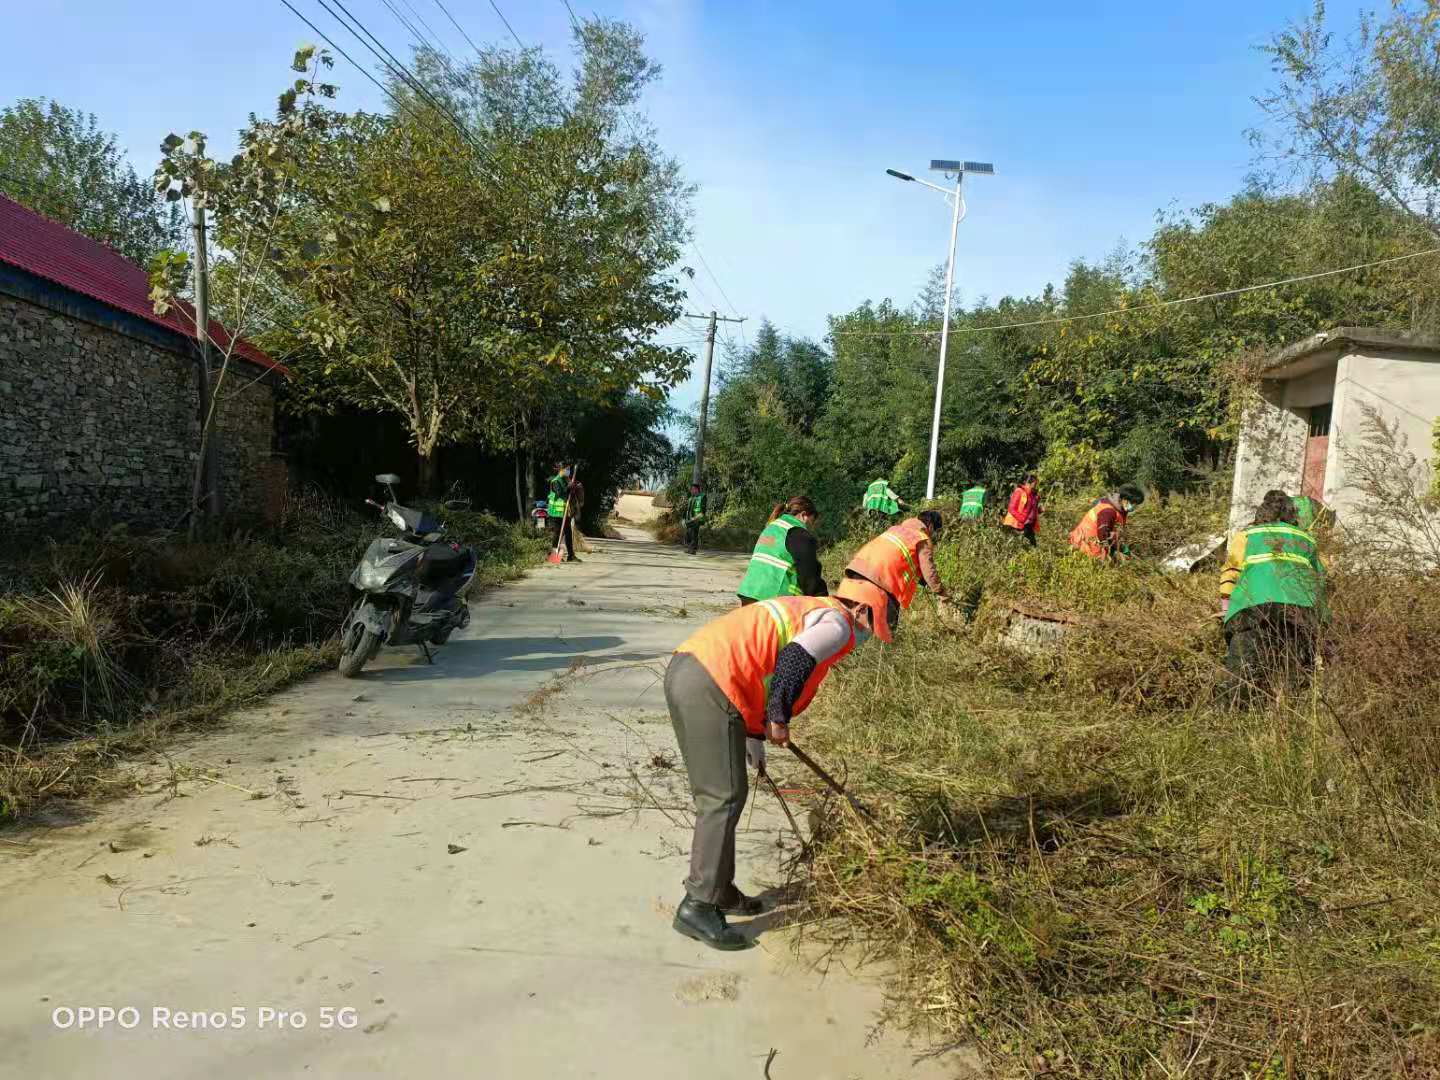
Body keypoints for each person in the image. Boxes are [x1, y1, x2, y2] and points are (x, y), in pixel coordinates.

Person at [664, 576, 901, 950]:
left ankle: (719, 890)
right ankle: (698, 906)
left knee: (729, 793)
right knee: (721, 797)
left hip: (692, 670)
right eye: (875, 626)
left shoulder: (808, 609)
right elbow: (795, 658)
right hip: (709, 680)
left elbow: (762, 664)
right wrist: (778, 718)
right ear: (860, 609)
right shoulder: (837, 623)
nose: (868, 639)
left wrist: (754, 733)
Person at [1219, 489, 1326, 703]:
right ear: (1291, 513)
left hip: (1250, 608)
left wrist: (1225, 609)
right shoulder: (1307, 539)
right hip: (1300, 610)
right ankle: (1289, 713)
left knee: (1243, 672)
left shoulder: (1247, 535)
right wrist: (1324, 621)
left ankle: (1237, 714)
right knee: (1294, 672)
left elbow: (1230, 573)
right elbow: (1320, 581)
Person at [843, 509, 947, 608]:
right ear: (931, 526)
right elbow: (928, 569)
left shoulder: (895, 529)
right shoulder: (921, 538)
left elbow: (901, 559)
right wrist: (941, 592)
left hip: (857, 570)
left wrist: (924, 582)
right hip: (882, 580)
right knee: (884, 624)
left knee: (853, 620)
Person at [736, 496, 826, 604]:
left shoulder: (771, 528)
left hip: (749, 593)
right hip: (773, 598)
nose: (809, 528)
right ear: (803, 515)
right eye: (810, 523)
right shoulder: (797, 533)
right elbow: (809, 574)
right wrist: (823, 600)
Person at [1069, 483, 1144, 561]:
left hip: (1092, 542)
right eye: (1133, 504)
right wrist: (1117, 549)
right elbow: (1103, 535)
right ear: (1124, 499)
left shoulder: (1119, 507)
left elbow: (1113, 531)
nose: (1134, 507)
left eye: (1136, 505)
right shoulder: (1108, 511)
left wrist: (1120, 546)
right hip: (1085, 545)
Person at [546, 463, 579, 563]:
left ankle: (571, 555)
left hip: (565, 511)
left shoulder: (566, 479)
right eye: (567, 469)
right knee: (557, 532)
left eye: (569, 469)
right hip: (556, 512)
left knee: (568, 532)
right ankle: (553, 554)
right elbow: (560, 492)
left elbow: (569, 492)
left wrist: (573, 487)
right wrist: (569, 487)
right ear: (561, 469)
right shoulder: (555, 481)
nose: (568, 471)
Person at [1002, 474, 1041, 546]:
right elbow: (1011, 508)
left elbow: (1032, 509)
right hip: (1018, 524)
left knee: (1033, 545)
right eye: (1035, 483)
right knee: (1018, 545)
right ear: (1028, 483)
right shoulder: (1019, 491)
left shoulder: (1033, 495)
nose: (1036, 485)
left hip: (1029, 525)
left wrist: (1040, 510)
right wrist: (1022, 519)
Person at [683, 483, 707, 555]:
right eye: (691, 489)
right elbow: (687, 510)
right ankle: (690, 548)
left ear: (696, 489)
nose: (691, 491)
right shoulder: (691, 498)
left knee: (694, 533)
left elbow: (703, 510)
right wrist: (684, 518)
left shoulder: (702, 497)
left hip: (698, 518)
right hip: (690, 519)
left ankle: (693, 549)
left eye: (692, 489)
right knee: (689, 533)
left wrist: (696, 518)